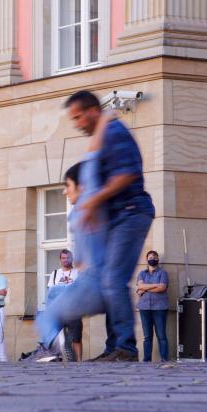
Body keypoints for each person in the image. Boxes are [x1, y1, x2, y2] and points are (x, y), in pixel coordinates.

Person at [66, 90, 154, 362]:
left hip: (131, 213)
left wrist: (94, 203)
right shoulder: (104, 134)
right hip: (118, 218)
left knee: (113, 280)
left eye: (78, 117)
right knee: (107, 281)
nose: (77, 124)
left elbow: (127, 175)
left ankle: (126, 348)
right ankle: (114, 347)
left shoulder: (114, 132)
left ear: (93, 111)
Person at [31, 111, 114, 362]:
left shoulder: (88, 206)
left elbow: (90, 166)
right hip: (90, 283)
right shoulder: (81, 211)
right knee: (53, 297)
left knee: (46, 315)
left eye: (67, 187)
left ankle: (49, 350)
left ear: (81, 187)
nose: (66, 193)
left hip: (92, 284)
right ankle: (50, 348)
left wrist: (102, 125)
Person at [46, 249, 83, 361]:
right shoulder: (55, 274)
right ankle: (59, 362)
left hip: (73, 311)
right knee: (57, 339)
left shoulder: (78, 273)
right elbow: (50, 293)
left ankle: (79, 363)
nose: (66, 260)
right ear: (60, 259)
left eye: (68, 258)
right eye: (63, 258)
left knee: (76, 338)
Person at [136, 250, 169, 362]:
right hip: (144, 307)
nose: (152, 258)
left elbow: (162, 288)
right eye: (150, 257)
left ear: (158, 260)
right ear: (147, 259)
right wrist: (155, 284)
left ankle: (164, 358)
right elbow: (140, 285)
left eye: (155, 257)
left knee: (161, 336)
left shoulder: (163, 273)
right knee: (147, 337)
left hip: (159, 307)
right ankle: (147, 359)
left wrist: (144, 289)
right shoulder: (142, 273)